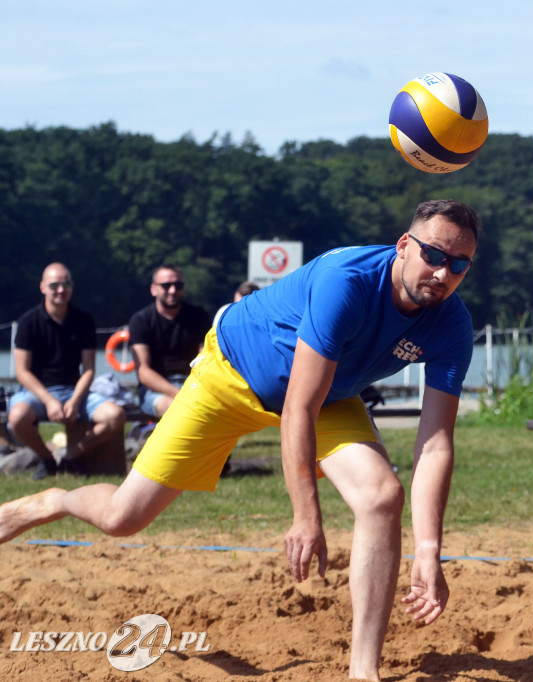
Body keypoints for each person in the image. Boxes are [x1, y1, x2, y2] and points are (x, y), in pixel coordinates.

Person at [0, 199, 479, 681]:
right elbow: (297, 408)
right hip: (231, 374)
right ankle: (52, 500)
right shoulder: (348, 281)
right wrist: (305, 514)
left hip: (330, 398)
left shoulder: (452, 324)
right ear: (403, 246)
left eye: (459, 265)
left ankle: (363, 671)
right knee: (123, 517)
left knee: (381, 497)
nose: (443, 273)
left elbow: (435, 444)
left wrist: (428, 550)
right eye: (434, 255)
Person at [5, 263, 127, 479]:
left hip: (74, 390)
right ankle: (47, 459)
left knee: (115, 415)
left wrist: (75, 400)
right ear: (43, 287)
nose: (61, 290)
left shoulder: (84, 320)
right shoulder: (28, 323)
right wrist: (49, 400)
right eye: (55, 285)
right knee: (16, 418)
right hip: (36, 392)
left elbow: (89, 369)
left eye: (66, 284)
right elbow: (22, 372)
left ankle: (71, 456)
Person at [128, 265, 212, 418]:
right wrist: (179, 394)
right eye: (166, 286)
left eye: (178, 285)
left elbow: (205, 359)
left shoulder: (199, 317)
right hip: (156, 390)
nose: (173, 290)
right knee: (175, 407)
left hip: (193, 384)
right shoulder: (140, 321)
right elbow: (144, 372)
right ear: (154, 289)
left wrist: (194, 391)